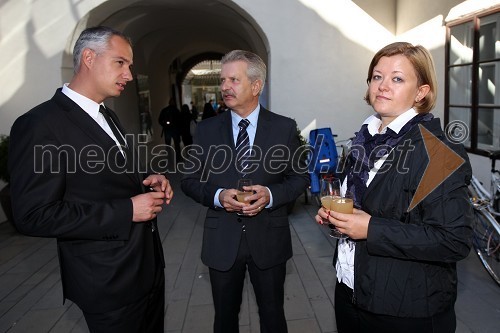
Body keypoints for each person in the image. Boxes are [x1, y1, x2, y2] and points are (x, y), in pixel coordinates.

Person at [8, 26, 173, 333]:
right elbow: (32, 215)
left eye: (130, 65)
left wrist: (145, 180)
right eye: (120, 63)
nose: (129, 74)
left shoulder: (108, 116)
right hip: (107, 282)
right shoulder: (39, 125)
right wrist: (127, 210)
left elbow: (109, 178)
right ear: (88, 57)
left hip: (147, 270)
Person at [315, 42, 473, 333]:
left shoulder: (437, 151)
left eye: (397, 78)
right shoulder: (364, 140)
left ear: (421, 91)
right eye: (377, 76)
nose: (383, 86)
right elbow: (363, 204)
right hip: (350, 290)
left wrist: (371, 228)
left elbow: (454, 240)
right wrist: (337, 217)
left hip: (406, 309)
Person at [181, 50, 309, 333]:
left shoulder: (284, 127)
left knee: (273, 315)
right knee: (224, 318)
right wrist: (217, 197)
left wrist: (270, 195)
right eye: (223, 79)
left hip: (269, 240)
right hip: (222, 241)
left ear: (256, 86)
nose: (225, 86)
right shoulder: (206, 130)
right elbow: (188, 179)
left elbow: (299, 177)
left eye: (233, 80)